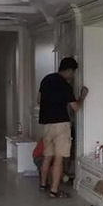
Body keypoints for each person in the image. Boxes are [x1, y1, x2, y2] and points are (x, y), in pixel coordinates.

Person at [38, 57, 88, 198]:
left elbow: (38, 100)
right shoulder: (65, 86)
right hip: (61, 125)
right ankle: (54, 191)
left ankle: (43, 184)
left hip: (46, 124)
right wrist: (82, 96)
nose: (73, 76)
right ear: (69, 70)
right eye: (73, 72)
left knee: (47, 156)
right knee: (59, 159)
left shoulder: (46, 79)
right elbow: (76, 107)